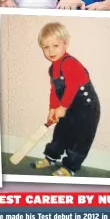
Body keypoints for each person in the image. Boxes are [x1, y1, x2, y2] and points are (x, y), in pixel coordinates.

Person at [31, 22, 100, 178]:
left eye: (55, 45)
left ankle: (70, 167)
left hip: (86, 107)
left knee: (81, 137)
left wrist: (62, 107)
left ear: (66, 43)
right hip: (67, 106)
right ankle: (51, 158)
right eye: (46, 47)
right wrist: (52, 109)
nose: (50, 51)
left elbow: (72, 86)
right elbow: (55, 91)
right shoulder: (52, 68)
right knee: (60, 132)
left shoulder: (70, 63)